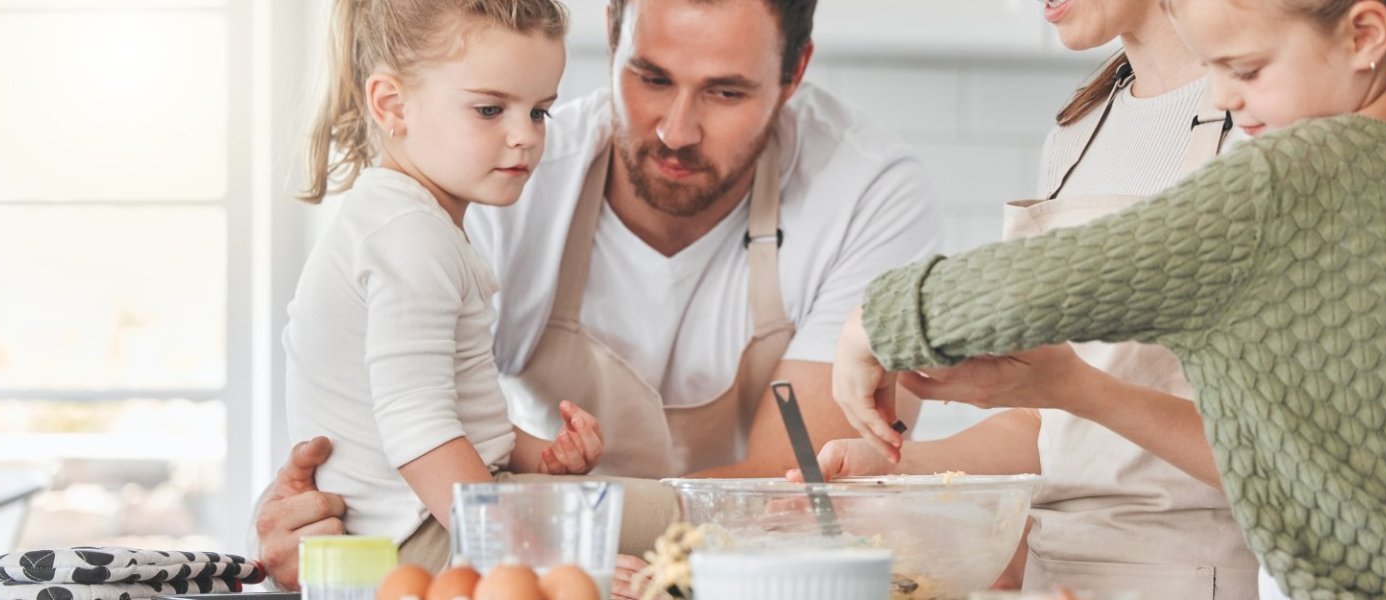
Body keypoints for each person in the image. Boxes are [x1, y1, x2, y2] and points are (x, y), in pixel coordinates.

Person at [832, 0, 1386, 596]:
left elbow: (1042, 283)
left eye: (1245, 69)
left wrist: (879, 321)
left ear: (1364, 36)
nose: (1224, 96)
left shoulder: (1297, 168)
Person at [255, 0, 939, 590]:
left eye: (725, 92)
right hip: (465, 528)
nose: (676, 129)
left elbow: (792, 495)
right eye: (650, 77)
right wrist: (309, 512)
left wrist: (533, 460)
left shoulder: (866, 192)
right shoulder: (485, 181)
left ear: (795, 72)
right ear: (611, 37)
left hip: (676, 547)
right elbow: (416, 427)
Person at [800, 0, 1258, 596]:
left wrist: (893, 317)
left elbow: (1282, 458)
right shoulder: (1079, 129)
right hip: (1057, 573)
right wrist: (901, 470)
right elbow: (1051, 421)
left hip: (1197, 574)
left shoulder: (1260, 123)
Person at [283, 0, 602, 570]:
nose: (524, 137)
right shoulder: (411, 237)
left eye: (539, 113)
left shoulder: (411, 221)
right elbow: (418, 428)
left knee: (635, 517)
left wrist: (541, 455)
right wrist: (525, 558)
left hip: (423, 516)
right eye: (489, 109)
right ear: (392, 105)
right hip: (414, 535)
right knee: (668, 518)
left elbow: (444, 415)